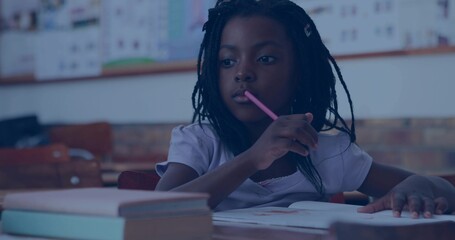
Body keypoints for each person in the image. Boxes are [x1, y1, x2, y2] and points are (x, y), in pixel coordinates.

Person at [155, 0, 455, 217]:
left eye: (265, 59)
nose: (242, 73)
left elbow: (443, 190)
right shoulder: (200, 142)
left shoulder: (326, 153)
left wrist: (418, 187)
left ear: (301, 73)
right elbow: (156, 210)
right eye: (227, 61)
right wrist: (252, 159)